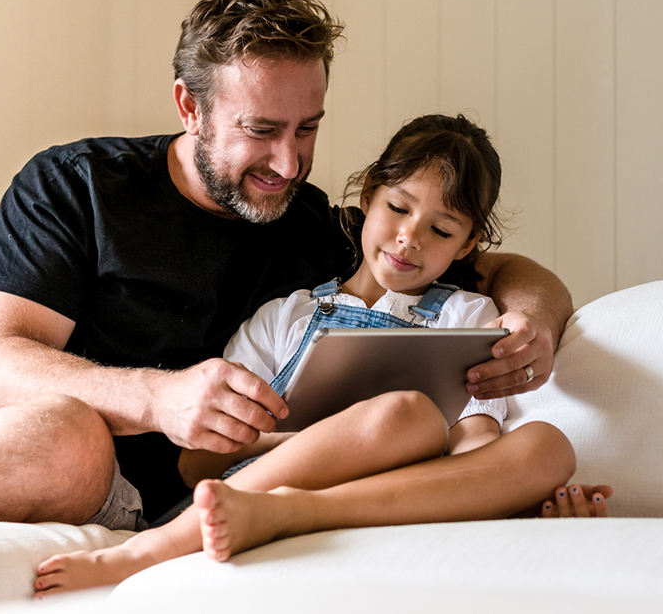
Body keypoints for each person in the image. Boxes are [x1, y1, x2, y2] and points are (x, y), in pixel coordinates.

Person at [0, 0, 573, 531]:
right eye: (262, 131)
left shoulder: (311, 233)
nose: (291, 165)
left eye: (309, 129)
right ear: (190, 106)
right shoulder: (79, 181)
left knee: (66, 441)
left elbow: (484, 262)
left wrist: (534, 318)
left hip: (74, 461)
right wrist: (162, 398)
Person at [34, 114, 611, 596]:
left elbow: (477, 440)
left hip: (393, 491)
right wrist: (332, 442)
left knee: (548, 448)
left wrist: (510, 491)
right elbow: (197, 464)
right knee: (402, 413)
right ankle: (158, 547)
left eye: (441, 230)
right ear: (367, 199)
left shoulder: (467, 316)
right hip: (254, 482)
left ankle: (291, 513)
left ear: (468, 246)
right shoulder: (286, 316)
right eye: (399, 208)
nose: (410, 238)